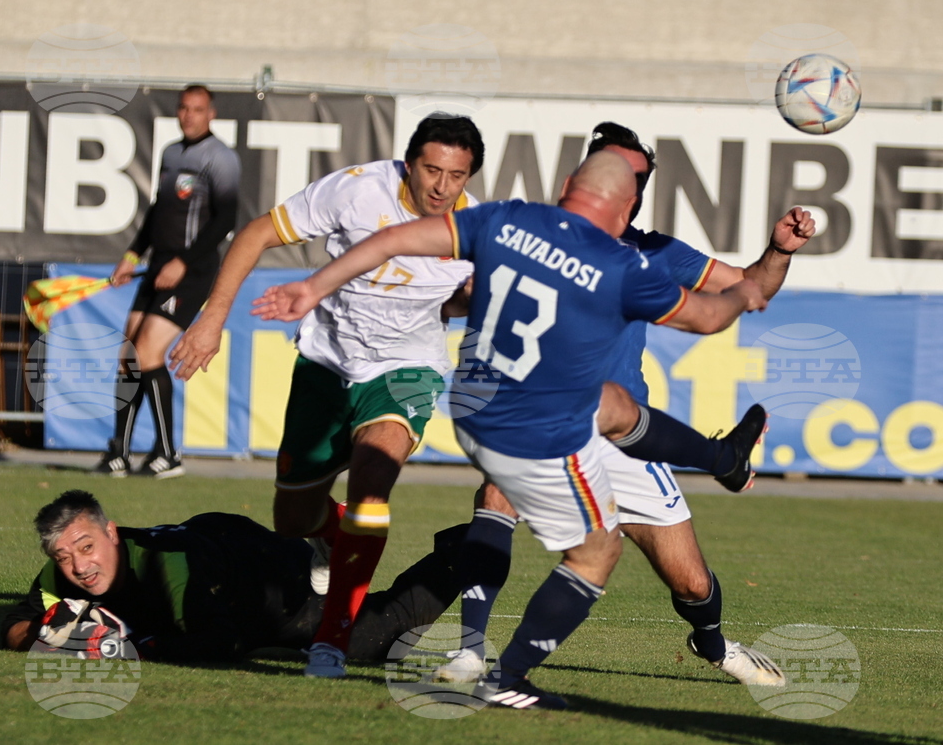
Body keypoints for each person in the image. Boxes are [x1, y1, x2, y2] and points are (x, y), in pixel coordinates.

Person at [251, 150, 768, 709]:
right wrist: (746, 294)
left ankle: (722, 460)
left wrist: (313, 287)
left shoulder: (507, 218)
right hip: (543, 423)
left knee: (613, 405)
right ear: (624, 211)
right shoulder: (620, 264)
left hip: (478, 410)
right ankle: (508, 678)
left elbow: (393, 241)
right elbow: (710, 317)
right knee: (597, 552)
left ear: (567, 185)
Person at [436, 122, 813, 689]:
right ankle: (471, 652)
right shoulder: (531, 236)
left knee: (690, 582)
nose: (622, 179)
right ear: (586, 174)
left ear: (637, 191)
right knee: (498, 494)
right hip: (544, 413)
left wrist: (778, 251)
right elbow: (462, 298)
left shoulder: (654, 252)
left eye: (634, 174)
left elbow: (749, 287)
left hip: (626, 434)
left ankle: (713, 645)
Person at [168, 114, 483, 678]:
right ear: (407, 163)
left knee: (373, 475)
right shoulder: (358, 189)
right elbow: (257, 232)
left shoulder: (474, 230)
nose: (442, 186)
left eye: (456, 175)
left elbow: (457, 302)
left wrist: (471, 299)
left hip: (406, 369)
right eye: (432, 170)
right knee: (293, 518)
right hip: (326, 365)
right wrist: (211, 319)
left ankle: (331, 641)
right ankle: (327, 535)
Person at [2, 490, 469, 663]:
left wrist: (130, 646)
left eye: (87, 547)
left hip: (263, 573)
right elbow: (15, 627)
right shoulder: (59, 573)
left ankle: (472, 543)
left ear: (111, 531)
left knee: (378, 639)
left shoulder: (167, 571)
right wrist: (51, 636)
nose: (79, 567)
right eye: (64, 556)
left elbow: (222, 645)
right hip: (215, 545)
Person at [95, 85, 241, 479]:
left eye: (197, 109)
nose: (189, 115)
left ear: (211, 114)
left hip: (190, 272)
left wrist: (183, 261)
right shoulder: (171, 153)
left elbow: (225, 220)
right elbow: (159, 210)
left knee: (147, 354)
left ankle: (168, 453)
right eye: (184, 108)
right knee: (129, 357)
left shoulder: (220, 158)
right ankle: (118, 453)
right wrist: (132, 255)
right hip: (157, 265)